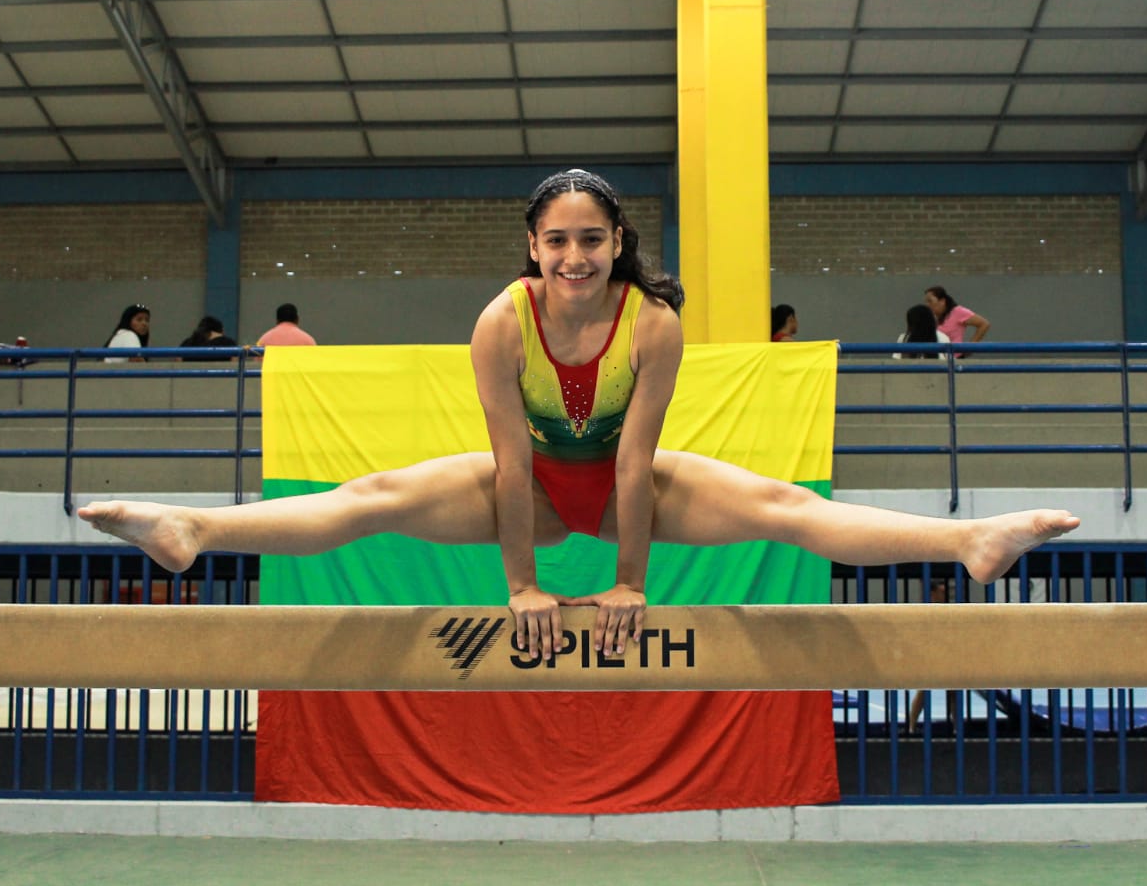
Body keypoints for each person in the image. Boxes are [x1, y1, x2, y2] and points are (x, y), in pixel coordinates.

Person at [80, 169, 1077, 661]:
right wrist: (521, 585)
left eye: (590, 240)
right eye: (555, 241)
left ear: (617, 242)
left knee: (781, 502)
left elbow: (637, 463)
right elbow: (512, 466)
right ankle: (193, 526)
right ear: (531, 244)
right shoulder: (499, 324)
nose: (572, 257)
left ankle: (966, 539)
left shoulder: (652, 326)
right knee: (373, 494)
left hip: (623, 482)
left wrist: (628, 581)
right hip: (534, 487)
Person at [907, 579, 962, 732]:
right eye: (942, 592)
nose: (945, 594)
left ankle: (957, 728)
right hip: (931, 656)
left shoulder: (950, 610)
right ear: (933, 593)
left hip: (947, 654)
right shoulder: (926, 611)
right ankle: (911, 726)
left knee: (953, 692)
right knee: (924, 691)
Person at [923, 286, 989, 350]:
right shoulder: (928, 317)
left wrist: (970, 347)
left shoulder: (957, 312)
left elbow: (984, 324)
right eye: (926, 302)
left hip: (954, 358)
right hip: (934, 358)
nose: (927, 305)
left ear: (942, 301)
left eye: (930, 301)